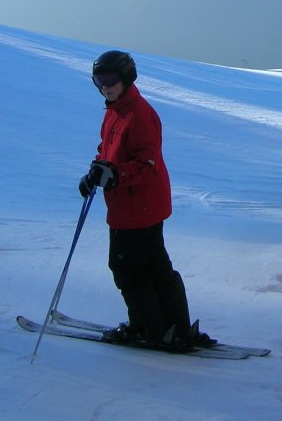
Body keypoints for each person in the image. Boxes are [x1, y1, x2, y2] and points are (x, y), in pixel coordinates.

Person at [78, 49, 212, 348]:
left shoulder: (139, 114)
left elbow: (147, 165)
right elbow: (107, 149)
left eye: (111, 79)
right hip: (138, 205)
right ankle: (175, 327)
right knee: (155, 268)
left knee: (127, 269)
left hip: (137, 207)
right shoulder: (115, 110)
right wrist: (96, 172)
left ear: (126, 78)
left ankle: (148, 328)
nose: (105, 86)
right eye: (99, 80)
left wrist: (114, 175)